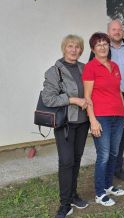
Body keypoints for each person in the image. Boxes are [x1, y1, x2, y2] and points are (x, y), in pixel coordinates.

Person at [41, 35, 89, 218]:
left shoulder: (84, 68)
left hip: (82, 123)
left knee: (76, 160)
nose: (74, 50)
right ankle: (64, 204)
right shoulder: (54, 71)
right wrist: (72, 99)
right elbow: (48, 98)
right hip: (65, 124)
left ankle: (73, 194)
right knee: (66, 161)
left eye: (77, 47)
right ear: (64, 48)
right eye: (70, 46)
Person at [90, 19, 124, 181]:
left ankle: (117, 168)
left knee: (121, 135)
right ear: (108, 31)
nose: (117, 32)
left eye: (119, 29)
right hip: (104, 101)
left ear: (123, 32)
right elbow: (91, 77)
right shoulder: (101, 49)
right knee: (106, 137)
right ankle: (105, 171)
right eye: (113, 29)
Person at [83, 32, 124, 206]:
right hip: (101, 117)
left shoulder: (114, 66)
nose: (103, 47)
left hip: (118, 116)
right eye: (99, 44)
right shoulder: (90, 67)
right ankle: (100, 193)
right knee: (103, 155)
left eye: (105, 43)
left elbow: (118, 91)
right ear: (93, 49)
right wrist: (92, 120)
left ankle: (109, 185)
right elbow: (87, 97)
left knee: (114, 153)